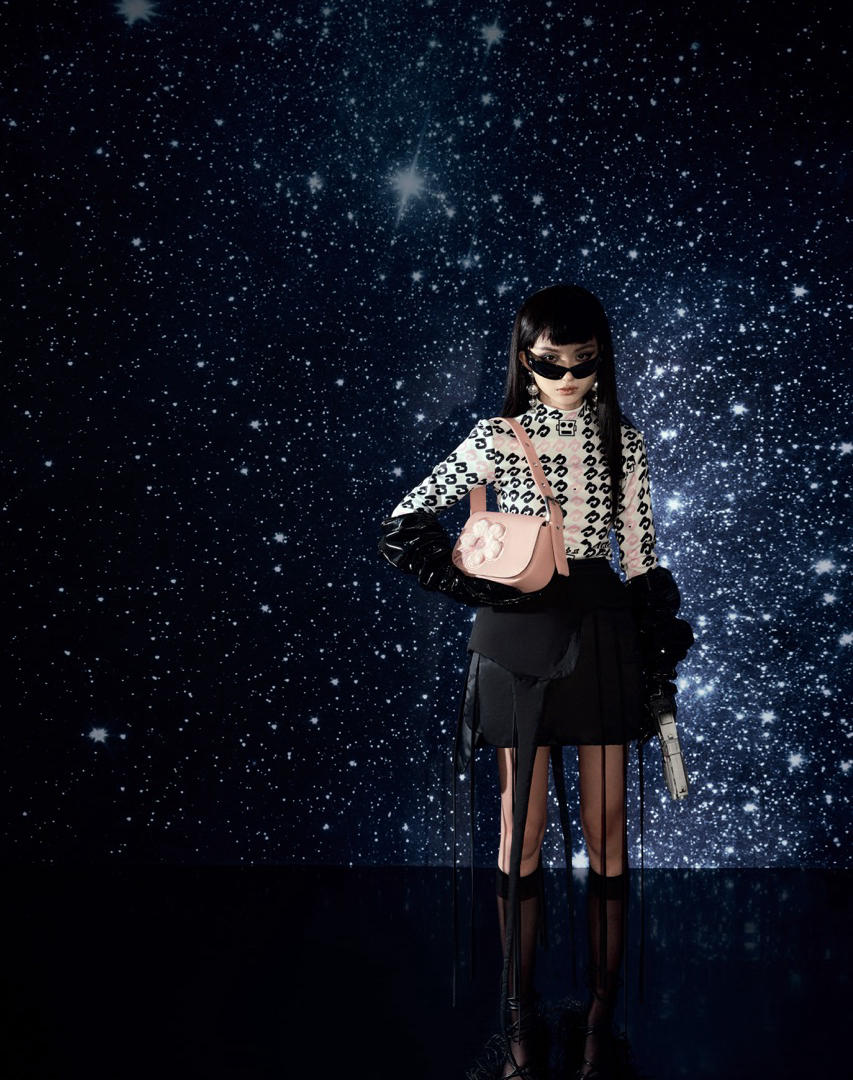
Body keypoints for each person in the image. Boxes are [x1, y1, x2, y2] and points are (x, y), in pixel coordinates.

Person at [377, 284, 694, 1080]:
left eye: (583, 363)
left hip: (601, 629)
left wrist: (658, 641)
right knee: (517, 830)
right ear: (525, 357)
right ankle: (518, 1018)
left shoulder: (624, 440)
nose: (568, 378)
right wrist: (476, 585)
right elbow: (404, 520)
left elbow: (642, 553)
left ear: (601, 359)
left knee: (607, 829)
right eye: (551, 363)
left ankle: (599, 1017)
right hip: (516, 633)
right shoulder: (494, 436)